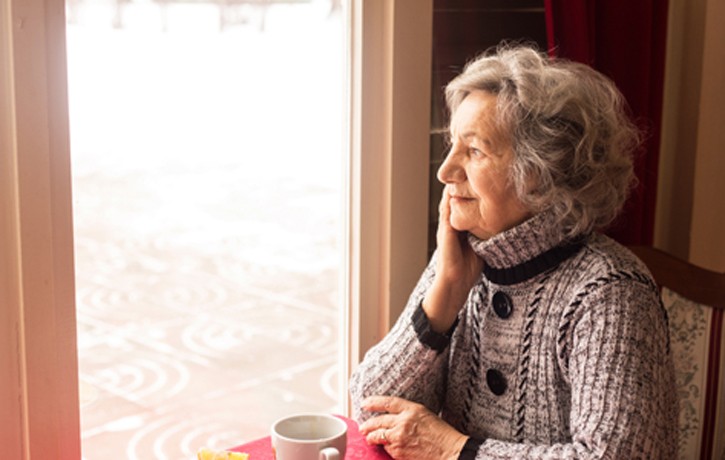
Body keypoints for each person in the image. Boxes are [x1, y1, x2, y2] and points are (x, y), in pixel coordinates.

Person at [349, 44, 678, 459]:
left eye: (474, 151)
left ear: (538, 173)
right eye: (452, 145)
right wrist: (445, 293)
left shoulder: (611, 293)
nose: (445, 171)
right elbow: (369, 409)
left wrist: (455, 450)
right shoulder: (464, 259)